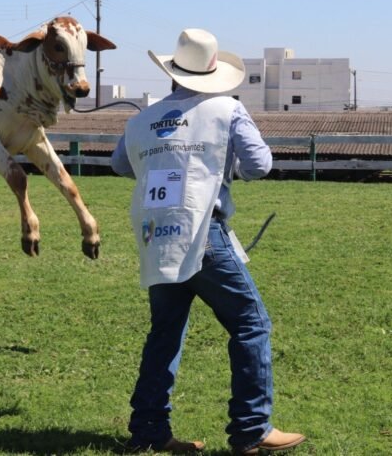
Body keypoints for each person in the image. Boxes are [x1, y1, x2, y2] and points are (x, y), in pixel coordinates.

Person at [110, 28, 306, 454]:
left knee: (165, 332)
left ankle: (148, 431)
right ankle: (252, 429)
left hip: (156, 235)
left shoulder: (141, 119)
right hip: (204, 232)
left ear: (173, 71)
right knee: (251, 324)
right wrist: (217, 165)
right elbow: (259, 165)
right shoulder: (227, 109)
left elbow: (121, 164)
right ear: (213, 71)